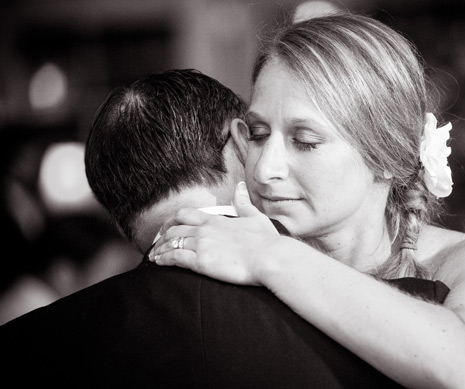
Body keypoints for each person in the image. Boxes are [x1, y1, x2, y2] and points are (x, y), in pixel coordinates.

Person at [151, 14, 465, 388]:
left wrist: (270, 256)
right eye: (257, 133)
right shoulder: (241, 268)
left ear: (388, 155)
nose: (266, 168)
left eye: (305, 141)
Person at [1, 69, 409, 388]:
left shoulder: (27, 351)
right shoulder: (392, 321)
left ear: (118, 212)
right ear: (237, 141)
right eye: (261, 136)